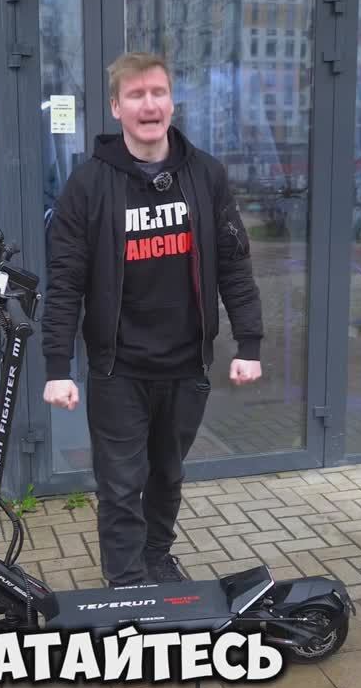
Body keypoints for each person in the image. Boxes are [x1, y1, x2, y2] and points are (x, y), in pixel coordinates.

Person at [41, 52, 263, 587]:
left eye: (158, 92)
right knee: (120, 484)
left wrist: (249, 343)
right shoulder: (88, 185)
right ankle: (126, 583)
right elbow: (65, 281)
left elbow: (233, 263)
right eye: (136, 94)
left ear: (172, 102)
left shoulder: (206, 175)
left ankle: (157, 558)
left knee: (167, 474)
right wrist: (57, 367)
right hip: (118, 368)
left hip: (187, 365)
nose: (149, 104)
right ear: (116, 107)